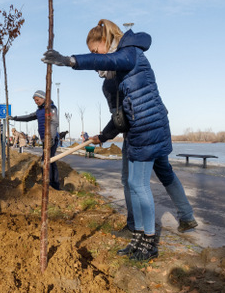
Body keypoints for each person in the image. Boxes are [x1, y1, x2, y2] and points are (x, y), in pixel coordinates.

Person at [42, 19, 197, 262]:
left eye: (95, 51)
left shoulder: (130, 53)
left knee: (138, 184)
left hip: (148, 127)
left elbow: (110, 61)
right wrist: (104, 136)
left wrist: (70, 60)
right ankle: (140, 235)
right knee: (138, 181)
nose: (96, 59)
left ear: (105, 41)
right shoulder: (117, 75)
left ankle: (148, 240)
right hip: (139, 127)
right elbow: (121, 115)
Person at [10, 90, 61, 190]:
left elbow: (54, 123)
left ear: (43, 98)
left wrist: (51, 138)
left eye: (37, 100)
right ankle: (50, 183)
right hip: (45, 140)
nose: (36, 102)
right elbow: (28, 117)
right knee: (48, 160)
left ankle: (52, 185)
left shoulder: (51, 108)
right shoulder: (39, 111)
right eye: (35, 101)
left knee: (48, 160)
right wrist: (15, 118)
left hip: (52, 139)